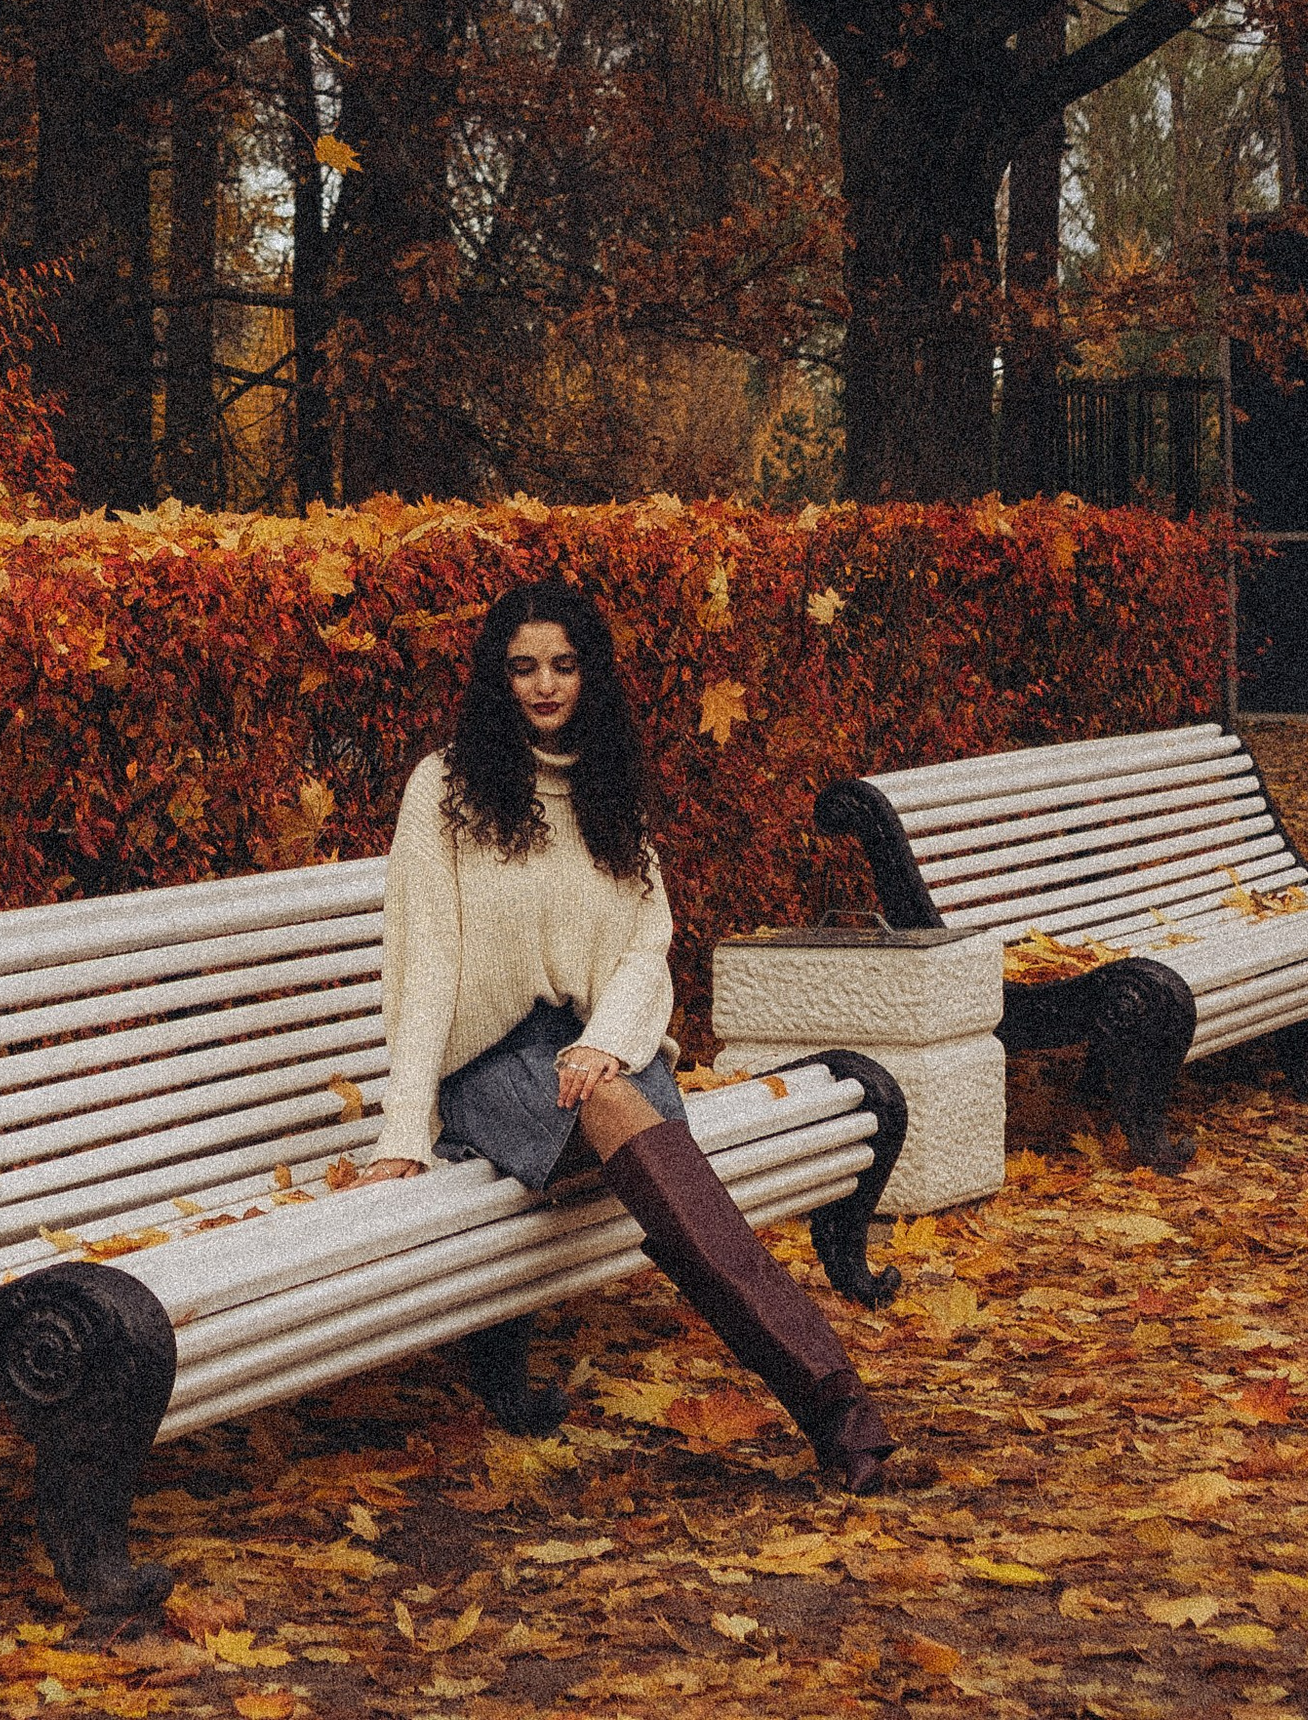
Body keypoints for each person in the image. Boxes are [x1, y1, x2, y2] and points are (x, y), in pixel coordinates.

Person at [359, 580, 923, 1491]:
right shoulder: (448, 787)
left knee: (639, 1137)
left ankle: (826, 1399)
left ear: (591, 675)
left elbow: (643, 940)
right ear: (495, 679)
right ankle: (834, 1403)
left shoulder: (605, 785)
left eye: (564, 666)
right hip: (490, 1067)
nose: (544, 686)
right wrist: (402, 1130)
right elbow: (423, 961)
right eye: (523, 668)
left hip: (596, 1048)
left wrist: (606, 1041)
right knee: (633, 1128)